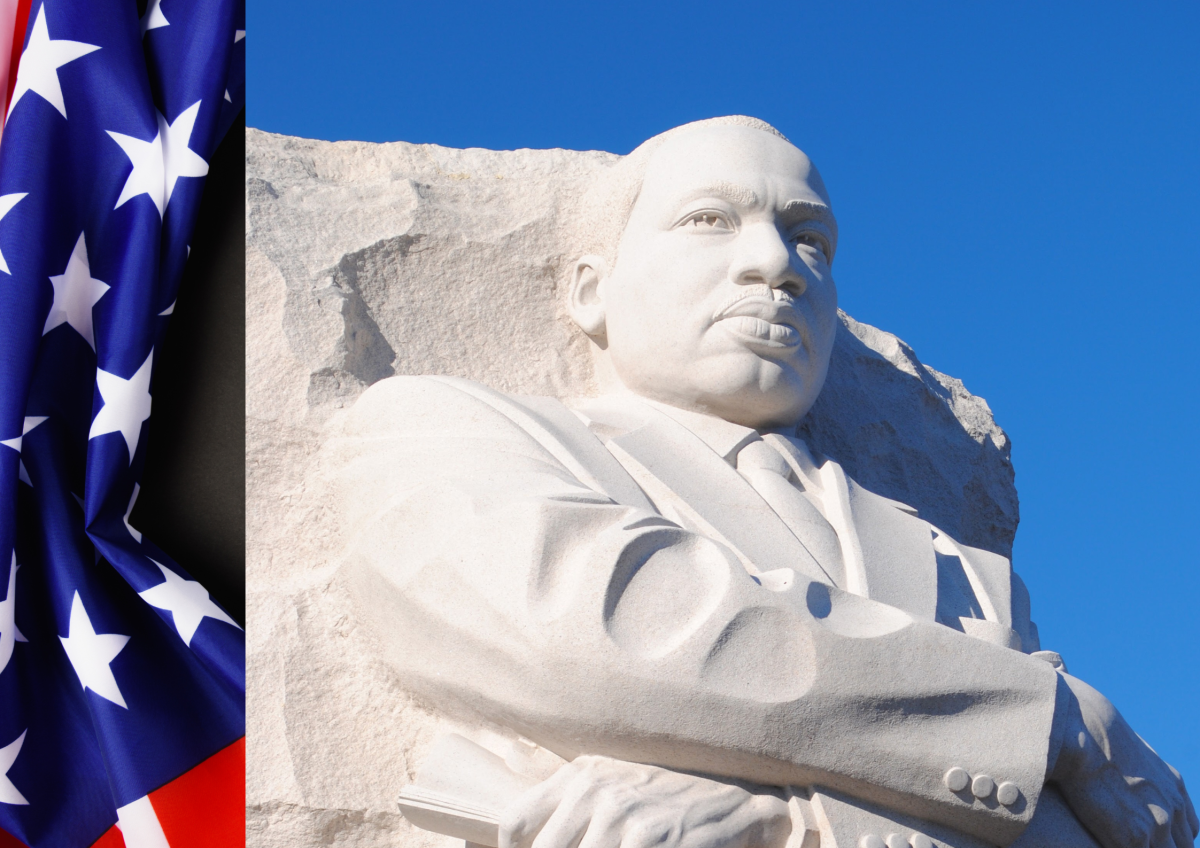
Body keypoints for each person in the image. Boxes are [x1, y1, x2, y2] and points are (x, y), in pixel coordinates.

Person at [328, 117, 1196, 848]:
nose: (776, 265)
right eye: (710, 220)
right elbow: (591, 634)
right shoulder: (444, 428)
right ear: (592, 292)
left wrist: (776, 820)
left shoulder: (961, 569)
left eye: (810, 238)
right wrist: (1048, 720)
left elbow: (1103, 829)